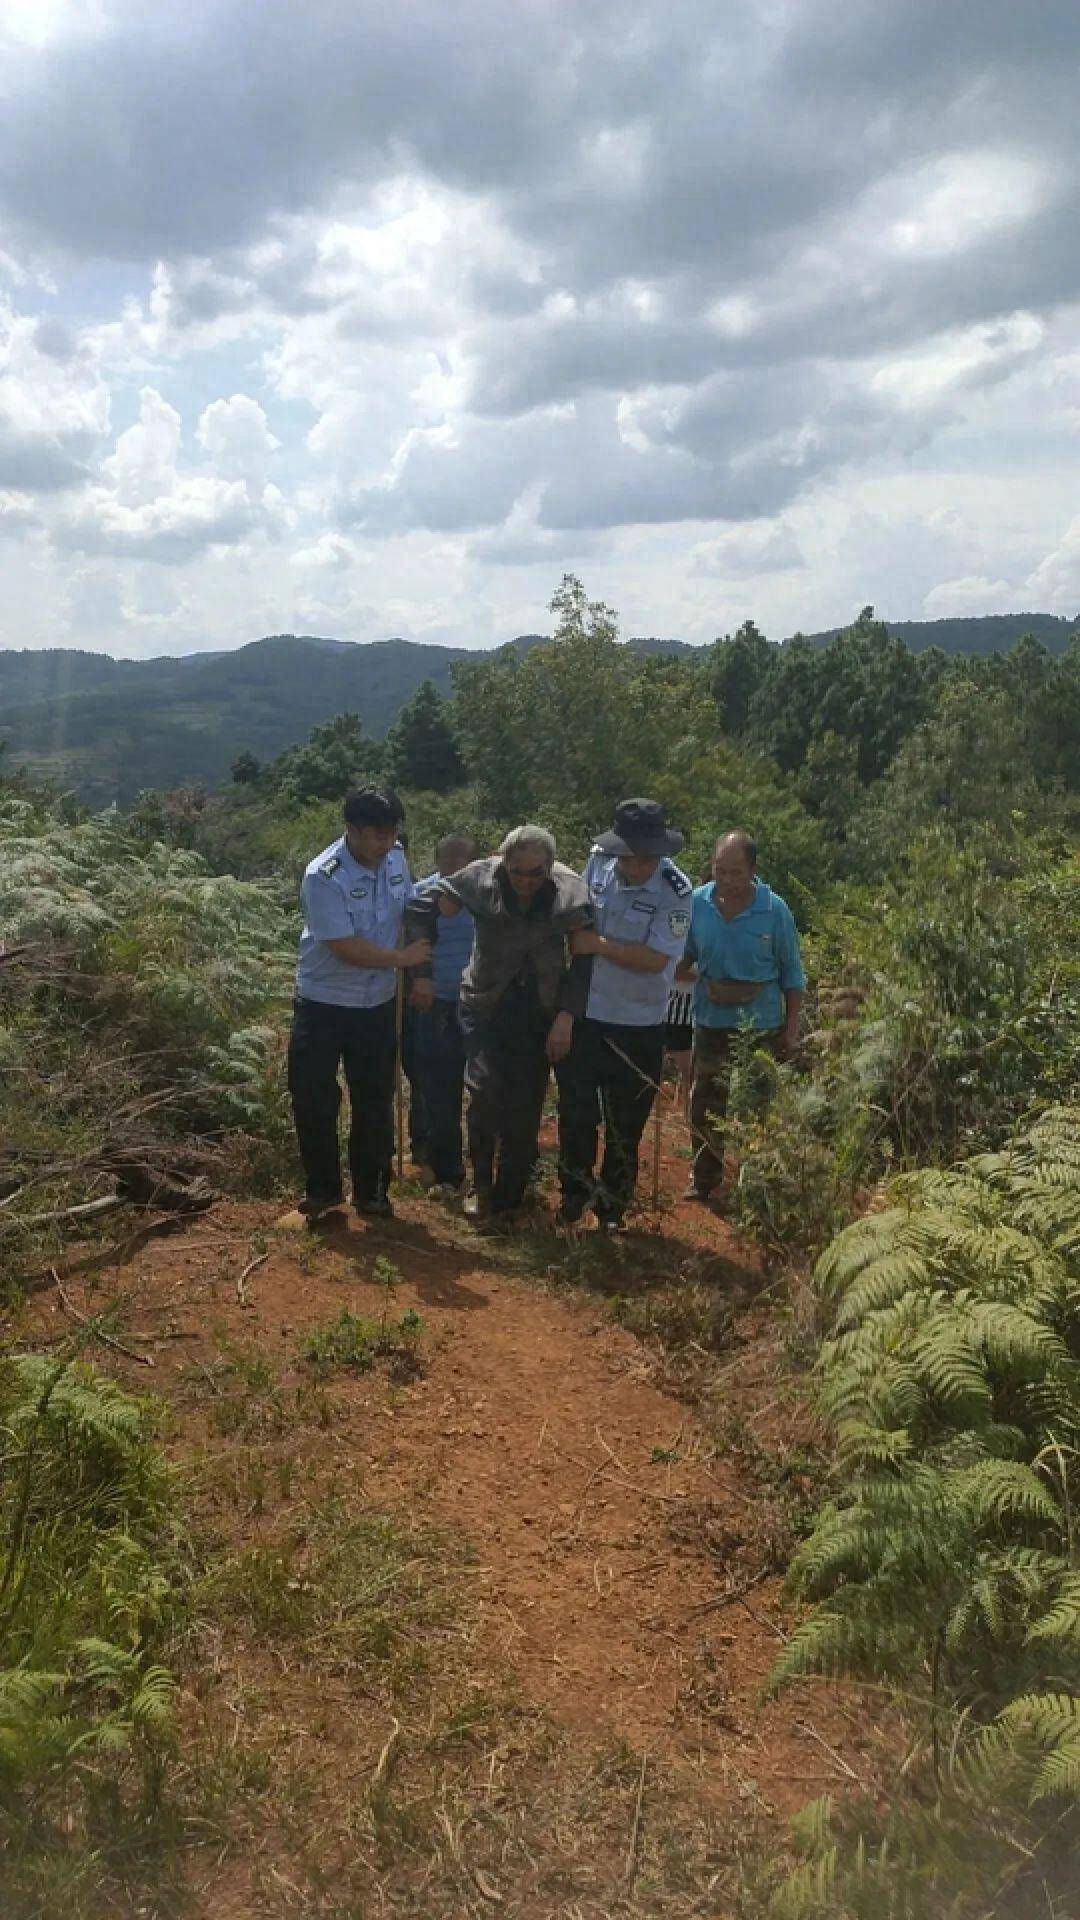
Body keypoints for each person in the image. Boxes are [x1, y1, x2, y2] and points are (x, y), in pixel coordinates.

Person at [409, 826, 591, 1223]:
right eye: (517, 871)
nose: (526, 881)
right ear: (503, 863)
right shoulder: (478, 878)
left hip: (539, 1008)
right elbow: (423, 908)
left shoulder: (570, 891)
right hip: (484, 1003)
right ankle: (481, 1186)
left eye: (535, 872)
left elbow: (584, 959)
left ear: (550, 867)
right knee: (485, 1091)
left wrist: (566, 1016)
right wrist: (421, 971)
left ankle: (510, 1197)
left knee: (525, 1104)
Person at [287, 785, 431, 1221]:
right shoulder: (324, 875)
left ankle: (372, 1191)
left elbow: (408, 910)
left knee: (375, 1098)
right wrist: (402, 960)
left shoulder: (397, 859)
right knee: (314, 1097)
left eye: (391, 834)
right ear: (352, 830)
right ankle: (323, 1190)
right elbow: (344, 947)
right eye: (375, 835)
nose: (384, 843)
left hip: (377, 1004)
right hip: (324, 1002)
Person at [557, 799, 691, 1230]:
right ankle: (573, 1196)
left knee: (625, 1124)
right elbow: (579, 912)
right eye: (628, 857)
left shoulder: (676, 890)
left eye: (646, 859)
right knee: (577, 1114)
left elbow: (657, 959)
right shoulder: (599, 863)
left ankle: (612, 1209)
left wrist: (600, 946)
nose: (635, 867)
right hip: (588, 1015)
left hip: (640, 1023)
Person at [677, 830, 805, 1204]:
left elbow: (792, 974)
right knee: (705, 1103)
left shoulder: (774, 910)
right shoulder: (697, 904)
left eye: (736, 872)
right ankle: (704, 1180)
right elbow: (680, 959)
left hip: (760, 1023)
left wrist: (791, 1028)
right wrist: (696, 976)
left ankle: (756, 1186)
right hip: (711, 1018)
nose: (728, 880)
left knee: (757, 1106)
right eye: (720, 871)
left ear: (753, 869)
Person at [405, 832, 479, 1195]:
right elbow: (413, 940)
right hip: (435, 1003)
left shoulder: (488, 894)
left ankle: (489, 1171)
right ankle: (444, 1169)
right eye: (446, 863)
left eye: (460, 864)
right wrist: (421, 980)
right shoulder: (423, 895)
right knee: (437, 1088)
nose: (453, 871)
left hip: (479, 1004)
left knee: (484, 1090)